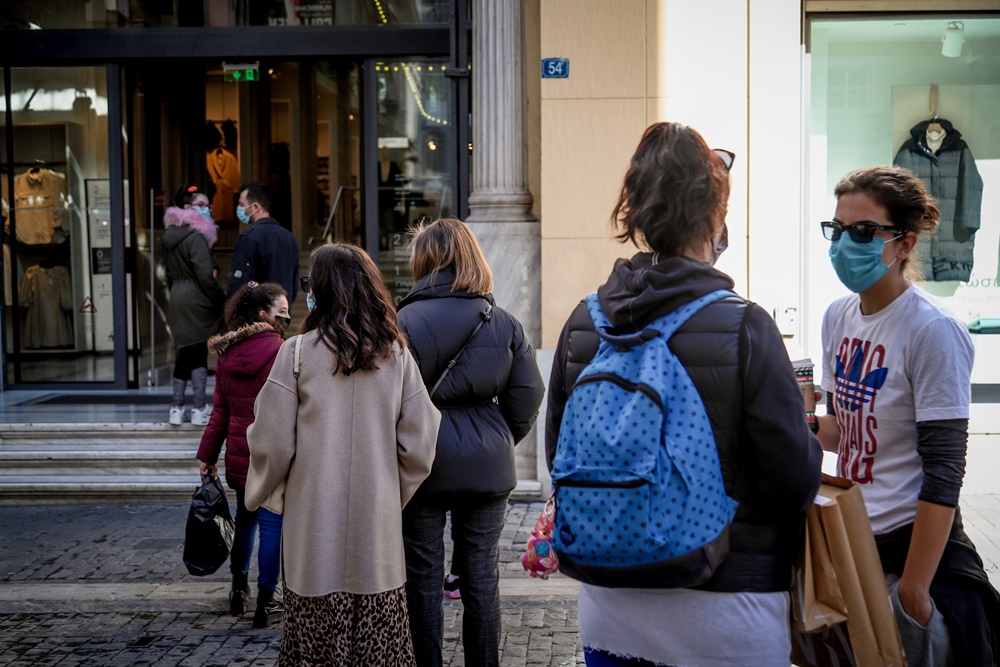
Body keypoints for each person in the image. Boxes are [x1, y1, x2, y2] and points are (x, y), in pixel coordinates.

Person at [546, 122, 823, 667]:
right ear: (714, 215)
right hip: (728, 610)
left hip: (610, 610)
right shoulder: (745, 326)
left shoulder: (584, 322)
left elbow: (561, 453)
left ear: (636, 211)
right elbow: (791, 481)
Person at [816, 165, 1000, 666]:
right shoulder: (839, 316)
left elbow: (945, 470)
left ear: (904, 243)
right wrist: (801, 424)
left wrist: (914, 596)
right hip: (852, 548)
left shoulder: (932, 331)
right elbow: (846, 433)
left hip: (912, 556)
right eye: (837, 229)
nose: (843, 245)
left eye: (862, 231)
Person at [244, 243, 440, 666]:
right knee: (381, 648)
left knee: (314, 649)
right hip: (377, 528)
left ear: (324, 291)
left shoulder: (295, 353)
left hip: (313, 523)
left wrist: (276, 495)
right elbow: (421, 442)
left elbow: (272, 442)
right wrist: (391, 489)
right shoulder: (397, 354)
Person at [396, 217, 545, 667]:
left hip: (422, 464)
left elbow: (386, 400)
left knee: (421, 580)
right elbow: (527, 395)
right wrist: (497, 437)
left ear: (423, 260)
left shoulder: (401, 322)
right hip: (487, 464)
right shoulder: (502, 322)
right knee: (482, 579)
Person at [195, 281, 290, 628]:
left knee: (245, 520)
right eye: (282, 310)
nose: (288, 315)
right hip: (271, 454)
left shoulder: (226, 353)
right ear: (264, 314)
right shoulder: (281, 350)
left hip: (238, 454)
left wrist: (207, 455)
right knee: (271, 525)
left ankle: (238, 590)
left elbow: (219, 411)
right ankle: (267, 600)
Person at [162, 185, 226, 426]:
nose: (207, 209)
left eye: (208, 205)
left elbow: (168, 272)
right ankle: (199, 407)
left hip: (178, 295)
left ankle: (177, 407)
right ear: (187, 208)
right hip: (196, 296)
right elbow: (204, 274)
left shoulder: (170, 235)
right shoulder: (196, 235)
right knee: (198, 351)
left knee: (183, 351)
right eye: (202, 205)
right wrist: (219, 297)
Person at [227, 182, 300, 304]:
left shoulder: (248, 237)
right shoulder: (289, 238)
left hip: (255, 316)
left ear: (255, 207)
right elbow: (294, 284)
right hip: (281, 313)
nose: (239, 208)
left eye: (242, 204)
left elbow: (239, 283)